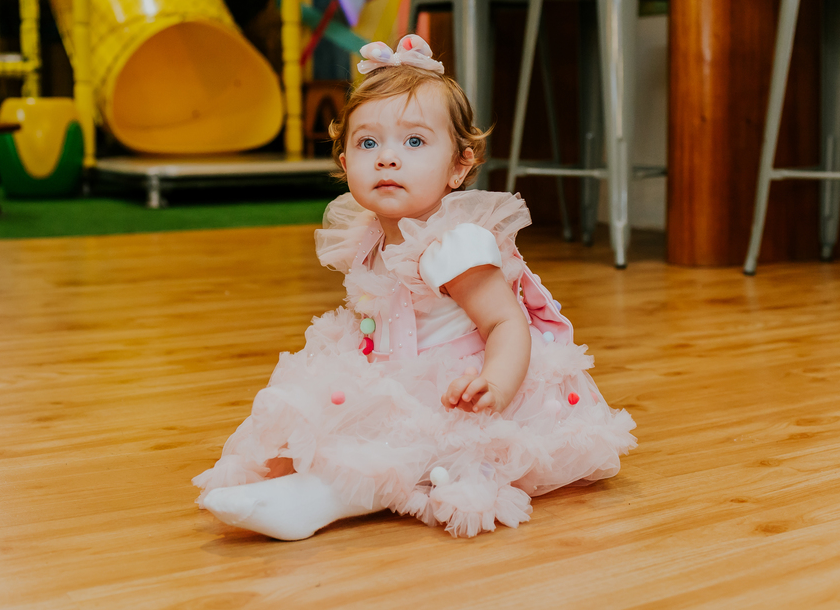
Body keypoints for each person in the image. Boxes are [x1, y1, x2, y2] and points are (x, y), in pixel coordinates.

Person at [194, 35, 636, 540]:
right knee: (314, 414)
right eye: (368, 143)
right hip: (393, 368)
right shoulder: (366, 235)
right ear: (345, 163)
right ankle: (287, 476)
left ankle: (318, 501)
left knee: (411, 448)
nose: (387, 158)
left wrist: (494, 385)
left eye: (414, 142)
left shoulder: (453, 244)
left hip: (462, 386)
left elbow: (506, 323)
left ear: (459, 166)